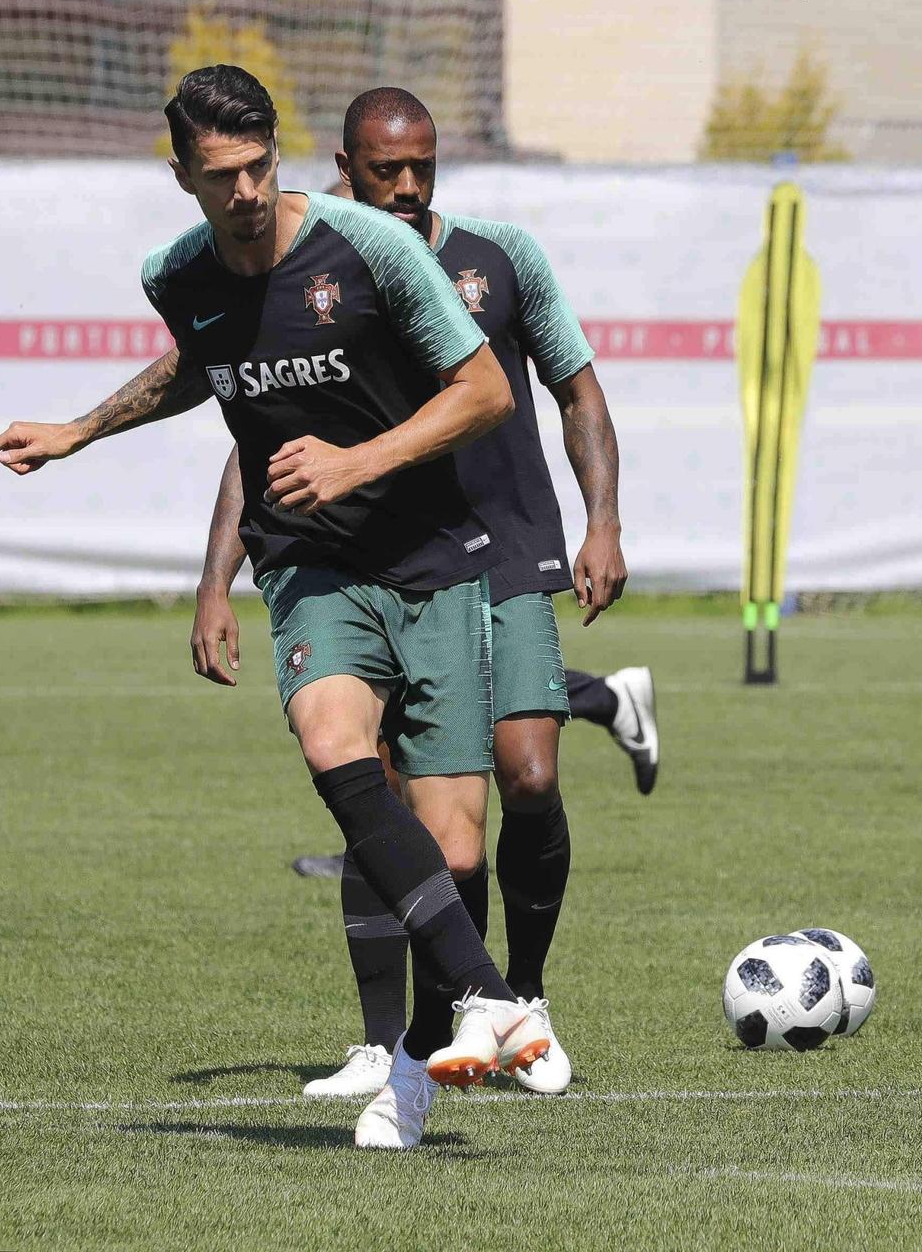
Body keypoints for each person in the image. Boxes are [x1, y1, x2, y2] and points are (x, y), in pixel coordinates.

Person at [0, 64, 555, 1148]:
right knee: (330, 737)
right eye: (219, 174)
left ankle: (419, 1068)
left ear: (279, 156)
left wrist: (356, 460)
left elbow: (484, 391)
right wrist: (76, 429)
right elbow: (203, 362)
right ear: (184, 174)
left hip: (436, 556)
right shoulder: (176, 271)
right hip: (313, 568)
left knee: (455, 850)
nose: (243, 192)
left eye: (257, 168)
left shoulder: (369, 247)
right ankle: (489, 992)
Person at [184, 87, 657, 1106]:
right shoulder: (318, 270)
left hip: (509, 544)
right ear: (345, 168)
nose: (407, 186)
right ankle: (411, 1031)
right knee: (387, 787)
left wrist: (602, 520)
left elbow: (578, 390)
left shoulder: (501, 259)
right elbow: (255, 438)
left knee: (525, 774)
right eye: (386, 169)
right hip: (380, 560)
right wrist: (215, 579)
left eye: (424, 168)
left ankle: (516, 990)